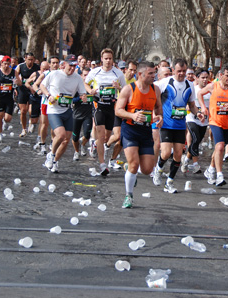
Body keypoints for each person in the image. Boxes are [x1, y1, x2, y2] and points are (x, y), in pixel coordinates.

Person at [115, 61, 162, 208]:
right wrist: (133, 115)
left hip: (146, 131)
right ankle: (128, 195)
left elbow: (158, 107)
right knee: (134, 164)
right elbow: (118, 110)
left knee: (148, 170)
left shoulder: (156, 89)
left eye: (154, 73)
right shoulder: (128, 89)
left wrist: (159, 117)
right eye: (150, 73)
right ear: (140, 74)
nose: (154, 76)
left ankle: (130, 171)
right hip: (130, 130)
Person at [152, 58, 199, 193]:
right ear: (173, 70)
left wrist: (198, 114)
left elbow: (192, 105)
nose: (182, 74)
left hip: (180, 125)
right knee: (166, 153)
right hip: (166, 123)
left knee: (178, 155)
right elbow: (152, 95)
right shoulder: (164, 83)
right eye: (179, 71)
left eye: (184, 71)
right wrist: (156, 112)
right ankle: (158, 169)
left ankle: (169, 182)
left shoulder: (190, 85)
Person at [198, 64, 228, 187]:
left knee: (220, 148)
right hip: (215, 121)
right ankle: (219, 175)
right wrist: (203, 107)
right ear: (220, 75)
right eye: (227, 76)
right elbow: (200, 94)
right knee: (219, 147)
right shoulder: (213, 86)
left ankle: (211, 169)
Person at [84, 48, 126, 176]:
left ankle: (96, 145)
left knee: (107, 137)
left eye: (110, 59)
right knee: (101, 136)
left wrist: (118, 88)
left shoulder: (118, 73)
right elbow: (85, 83)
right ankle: (102, 165)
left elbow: (125, 89)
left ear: (113, 60)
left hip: (111, 107)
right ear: (102, 59)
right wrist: (90, 90)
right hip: (99, 105)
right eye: (106, 58)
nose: (108, 61)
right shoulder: (95, 72)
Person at [40, 60, 87, 173]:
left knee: (66, 140)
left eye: (73, 66)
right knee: (60, 135)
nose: (71, 68)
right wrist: (48, 95)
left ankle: (55, 161)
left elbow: (82, 93)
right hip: (54, 110)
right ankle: (51, 155)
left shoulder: (77, 78)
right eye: (69, 66)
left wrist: (84, 96)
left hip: (68, 110)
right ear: (64, 65)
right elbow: (42, 85)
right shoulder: (54, 74)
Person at [184, 69, 210, 174]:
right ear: (197, 78)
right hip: (191, 118)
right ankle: (195, 164)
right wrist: (195, 111)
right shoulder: (192, 89)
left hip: (204, 121)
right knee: (195, 138)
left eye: (206, 78)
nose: (204, 80)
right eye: (202, 78)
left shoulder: (210, 90)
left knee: (196, 142)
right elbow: (186, 105)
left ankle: (186, 159)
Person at [15, 53, 41, 136]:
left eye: (32, 59)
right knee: (23, 111)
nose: (30, 61)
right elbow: (15, 75)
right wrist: (17, 85)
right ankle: (24, 129)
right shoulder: (21, 66)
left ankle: (31, 121)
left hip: (32, 90)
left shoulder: (36, 67)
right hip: (22, 89)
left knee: (30, 110)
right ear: (25, 59)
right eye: (29, 59)